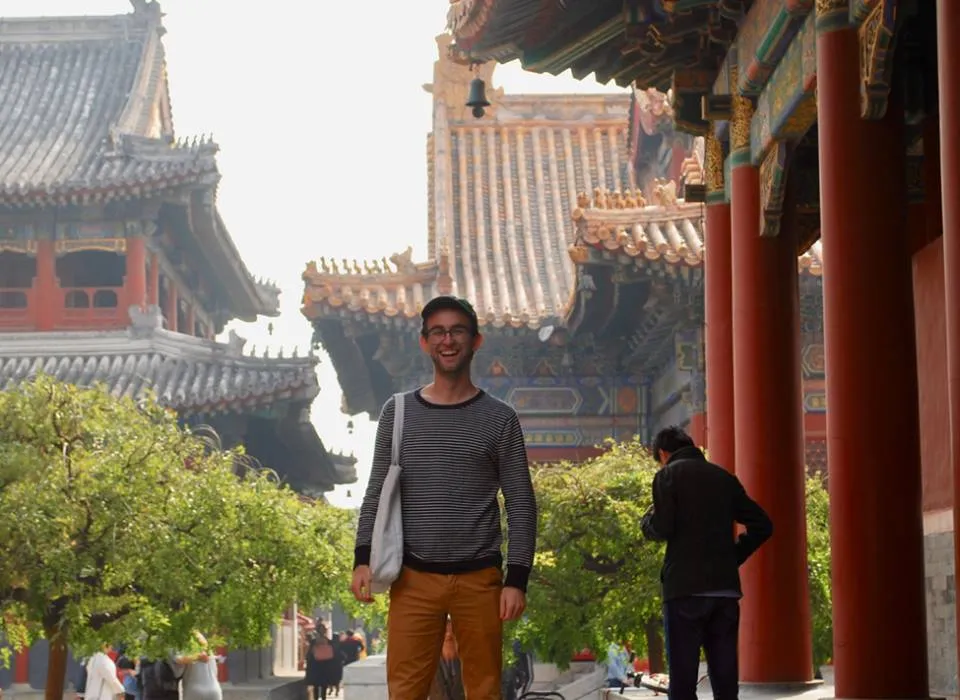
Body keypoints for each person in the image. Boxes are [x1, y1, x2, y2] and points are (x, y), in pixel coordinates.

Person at [351, 295, 538, 700]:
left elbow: (521, 501)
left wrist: (517, 579)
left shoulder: (500, 418)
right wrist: (362, 558)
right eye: (437, 332)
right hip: (413, 578)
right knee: (405, 691)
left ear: (476, 341)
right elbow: (376, 490)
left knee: (485, 691)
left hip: (481, 581)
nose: (447, 340)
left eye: (457, 331)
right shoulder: (397, 412)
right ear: (424, 342)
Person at [641, 426, 773, 700]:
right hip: (724, 591)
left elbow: (663, 527)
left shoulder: (667, 476)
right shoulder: (724, 478)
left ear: (663, 453)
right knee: (725, 680)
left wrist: (647, 524)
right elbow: (763, 525)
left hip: (684, 590)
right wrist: (732, 556)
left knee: (684, 680)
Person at [305, 624, 342, 700]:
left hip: (318, 666)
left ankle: (319, 698)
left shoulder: (315, 642)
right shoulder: (328, 642)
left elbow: (309, 655)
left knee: (319, 685)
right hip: (323, 666)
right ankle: (321, 698)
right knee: (321, 685)